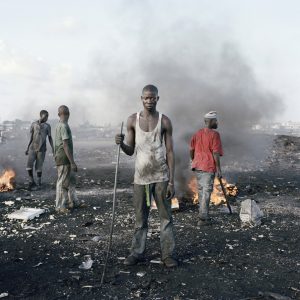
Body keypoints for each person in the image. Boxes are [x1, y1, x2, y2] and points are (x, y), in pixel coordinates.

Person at [115, 84, 178, 268]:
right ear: (141, 99)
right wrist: (120, 144)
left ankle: (167, 255)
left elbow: (171, 152)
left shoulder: (164, 121)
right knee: (140, 218)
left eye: (153, 98)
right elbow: (130, 150)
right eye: (146, 98)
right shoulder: (132, 121)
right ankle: (137, 252)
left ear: (158, 99)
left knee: (166, 219)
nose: (149, 101)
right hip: (140, 178)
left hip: (161, 177)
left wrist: (172, 182)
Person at [190, 111, 224, 225]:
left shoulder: (197, 133)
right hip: (208, 166)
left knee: (201, 190)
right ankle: (203, 218)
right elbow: (215, 153)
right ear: (211, 121)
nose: (217, 122)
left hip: (197, 166)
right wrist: (218, 169)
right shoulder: (215, 135)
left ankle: (202, 213)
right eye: (216, 120)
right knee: (206, 191)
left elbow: (191, 149)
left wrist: (193, 160)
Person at [54, 105, 83, 213]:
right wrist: (72, 162)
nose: (66, 115)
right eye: (65, 113)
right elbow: (65, 145)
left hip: (61, 156)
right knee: (62, 182)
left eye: (66, 113)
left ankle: (73, 202)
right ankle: (60, 206)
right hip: (64, 158)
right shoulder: (64, 126)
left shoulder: (59, 125)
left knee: (71, 181)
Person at [25, 110, 54, 189]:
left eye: (47, 116)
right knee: (29, 165)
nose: (47, 118)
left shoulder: (47, 126)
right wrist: (27, 148)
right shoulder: (34, 124)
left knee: (39, 166)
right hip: (32, 148)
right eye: (46, 116)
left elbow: (50, 137)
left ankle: (38, 183)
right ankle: (31, 181)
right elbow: (31, 137)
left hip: (42, 149)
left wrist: (53, 148)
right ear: (41, 115)